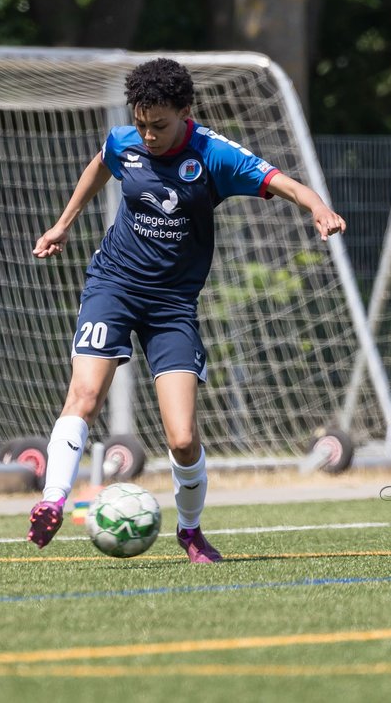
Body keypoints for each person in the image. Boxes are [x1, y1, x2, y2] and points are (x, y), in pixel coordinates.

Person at [26, 57, 346, 563]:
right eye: (141, 124)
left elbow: (284, 182)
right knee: (84, 394)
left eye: (159, 125)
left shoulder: (215, 156)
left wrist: (319, 209)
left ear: (185, 113)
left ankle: (191, 531)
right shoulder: (123, 141)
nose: (148, 136)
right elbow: (101, 164)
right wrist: (64, 223)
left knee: (180, 437)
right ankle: (51, 502)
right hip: (113, 285)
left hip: (172, 305)